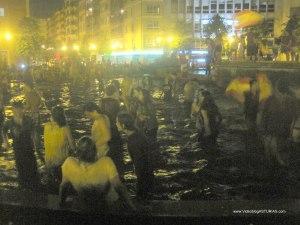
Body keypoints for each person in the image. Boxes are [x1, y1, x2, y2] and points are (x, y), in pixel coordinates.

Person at [59, 136, 135, 212]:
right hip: (103, 207)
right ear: (95, 151)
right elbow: (119, 187)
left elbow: (63, 187)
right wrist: (131, 207)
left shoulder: (69, 164)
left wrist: (62, 204)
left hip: (84, 207)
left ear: (78, 152)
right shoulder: (106, 162)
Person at [3, 101, 42, 191]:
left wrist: (37, 145)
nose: (19, 112)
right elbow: (3, 130)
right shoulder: (10, 122)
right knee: (21, 168)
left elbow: (34, 133)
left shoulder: (28, 120)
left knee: (32, 167)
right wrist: (6, 142)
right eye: (17, 110)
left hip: (29, 148)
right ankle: (23, 186)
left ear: (23, 109)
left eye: (21, 109)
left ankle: (34, 186)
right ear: (13, 110)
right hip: (17, 149)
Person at [259, 79, 297, 168]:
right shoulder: (289, 101)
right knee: (274, 158)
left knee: (276, 157)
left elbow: (263, 116)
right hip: (274, 133)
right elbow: (264, 116)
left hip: (276, 133)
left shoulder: (273, 100)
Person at [117, 113, 154, 200]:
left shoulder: (133, 141)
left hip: (144, 174)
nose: (116, 124)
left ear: (123, 125)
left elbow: (139, 163)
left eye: (117, 122)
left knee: (143, 196)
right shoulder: (136, 134)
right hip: (147, 171)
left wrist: (139, 179)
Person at [44, 106, 75, 192]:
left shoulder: (46, 126)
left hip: (49, 162)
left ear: (52, 116)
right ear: (63, 116)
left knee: (52, 186)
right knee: (63, 185)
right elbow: (73, 146)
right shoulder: (65, 128)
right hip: (61, 162)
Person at [101, 85, 124, 179]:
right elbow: (118, 116)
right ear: (114, 92)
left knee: (108, 150)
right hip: (114, 128)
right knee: (117, 151)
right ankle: (118, 173)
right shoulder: (116, 102)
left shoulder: (101, 101)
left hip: (105, 128)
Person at [23, 80, 42, 151]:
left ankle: (35, 146)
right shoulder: (36, 93)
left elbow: (28, 105)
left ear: (28, 86)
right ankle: (39, 146)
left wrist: (22, 111)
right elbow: (39, 103)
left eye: (25, 86)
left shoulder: (28, 94)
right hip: (37, 112)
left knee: (33, 130)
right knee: (37, 129)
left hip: (32, 114)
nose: (24, 88)